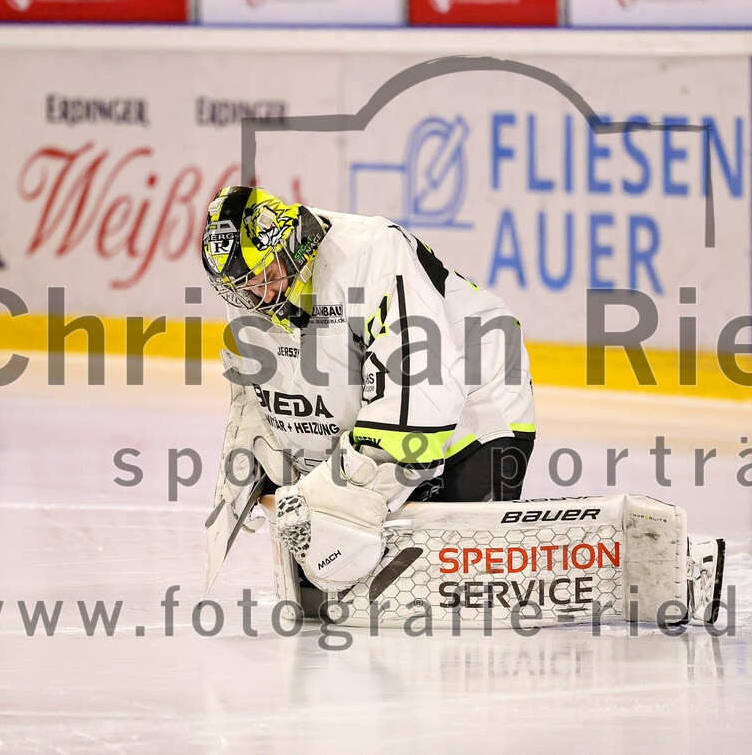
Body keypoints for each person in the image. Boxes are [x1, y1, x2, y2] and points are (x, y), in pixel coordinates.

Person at [201, 186, 536, 594]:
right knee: (338, 585)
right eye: (244, 287)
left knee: (461, 586)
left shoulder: (369, 255)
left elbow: (424, 383)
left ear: (291, 241)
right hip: (408, 403)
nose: (261, 296)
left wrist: (349, 496)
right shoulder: (253, 289)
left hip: (480, 398)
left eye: (267, 277)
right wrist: (267, 473)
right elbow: (268, 394)